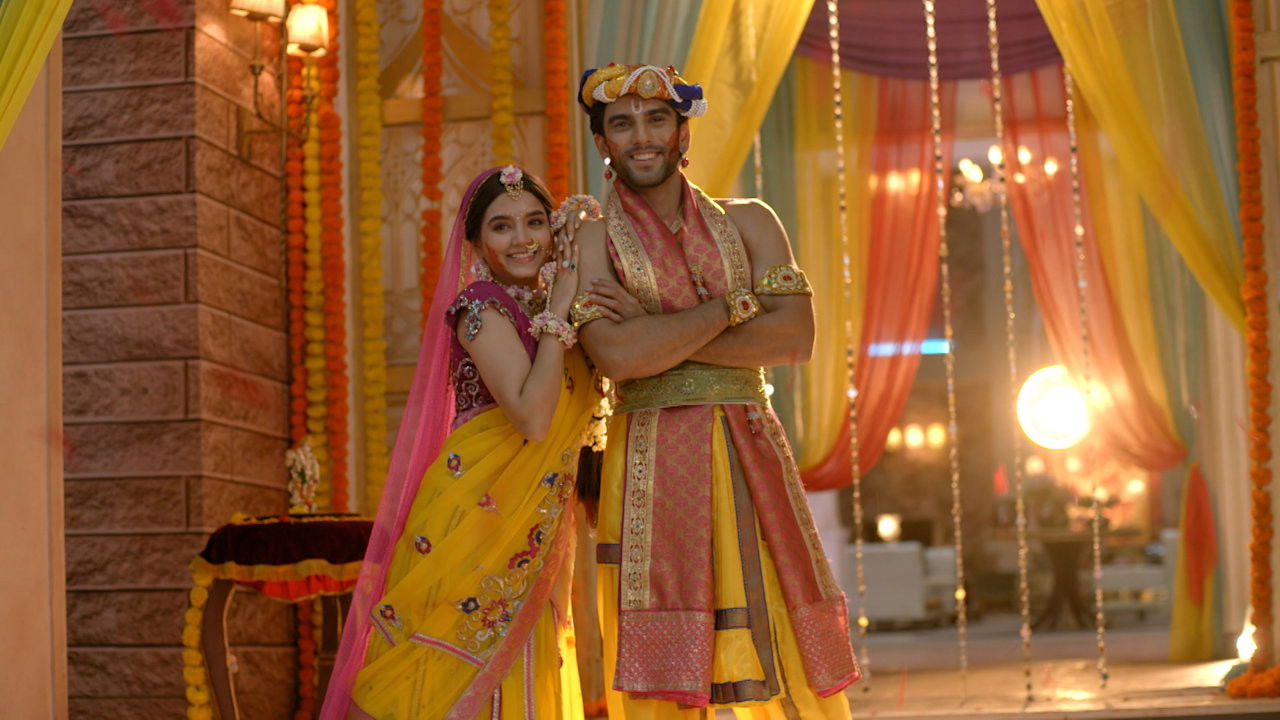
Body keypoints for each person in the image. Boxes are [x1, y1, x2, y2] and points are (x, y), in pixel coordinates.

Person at [571, 64, 860, 718]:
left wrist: (655, 330)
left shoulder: (750, 221)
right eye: (622, 124)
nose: (641, 136)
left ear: (682, 133)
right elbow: (616, 356)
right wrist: (734, 307)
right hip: (646, 464)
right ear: (603, 143)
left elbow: (795, 338)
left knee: (781, 621)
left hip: (747, 447)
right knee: (656, 665)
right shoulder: (593, 238)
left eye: (656, 119)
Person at [320, 166, 634, 719]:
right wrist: (560, 307)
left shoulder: (561, 309)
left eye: (534, 222)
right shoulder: (481, 308)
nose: (522, 239)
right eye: (501, 226)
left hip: (536, 523)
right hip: (475, 519)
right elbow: (532, 419)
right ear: (476, 242)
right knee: (443, 671)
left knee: (525, 668)